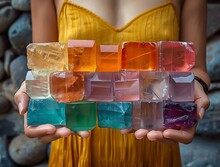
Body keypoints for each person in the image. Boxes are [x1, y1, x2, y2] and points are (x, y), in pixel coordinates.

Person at [14, 0, 210, 166]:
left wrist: (196, 84)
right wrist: (35, 97)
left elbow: (196, 67)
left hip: (154, 139)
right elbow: (42, 65)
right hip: (77, 142)